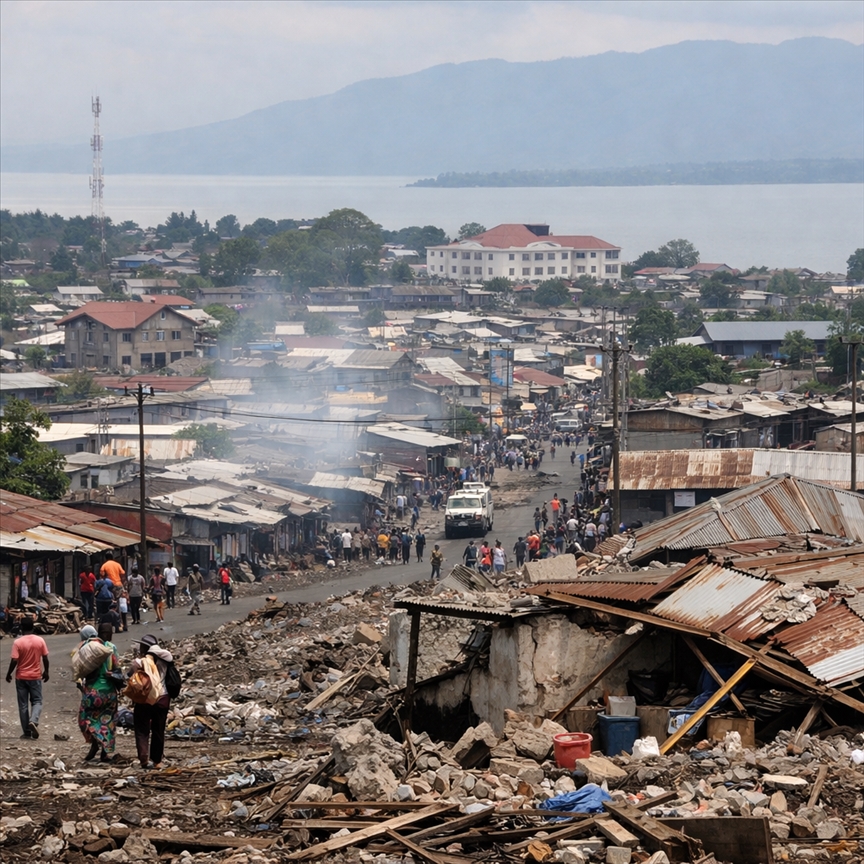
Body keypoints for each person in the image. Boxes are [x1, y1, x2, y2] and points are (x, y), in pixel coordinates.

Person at [76, 623, 122, 763]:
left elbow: (81, 668)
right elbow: (117, 669)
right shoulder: (112, 648)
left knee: (85, 719)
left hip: (92, 692)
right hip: (109, 693)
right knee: (108, 722)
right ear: (109, 634)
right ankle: (104, 752)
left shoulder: (87, 647)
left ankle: (94, 744)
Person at [129, 634, 174, 770]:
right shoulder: (165, 660)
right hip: (162, 698)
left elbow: (130, 677)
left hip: (144, 699)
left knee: (142, 729)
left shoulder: (139, 662)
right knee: (158, 729)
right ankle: (157, 761)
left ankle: (143, 758)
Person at [6, 616, 49, 739]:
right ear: (33, 627)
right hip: (35, 676)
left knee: (23, 704)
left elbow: (14, 660)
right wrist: (46, 671)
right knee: (37, 701)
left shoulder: (18, 642)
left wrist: (9, 673)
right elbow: (45, 658)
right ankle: (33, 720)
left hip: (21, 677)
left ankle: (26, 731)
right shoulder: (40, 640)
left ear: (21, 628)